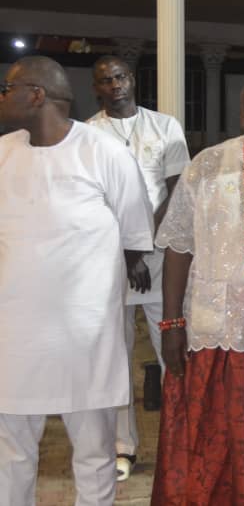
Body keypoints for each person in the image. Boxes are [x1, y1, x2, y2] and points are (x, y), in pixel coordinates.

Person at [0, 56, 153, 505]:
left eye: (8, 88)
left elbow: (134, 236)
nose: (3, 97)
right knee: (12, 456)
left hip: (85, 337)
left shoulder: (104, 152)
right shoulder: (3, 154)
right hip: (14, 337)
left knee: (94, 455)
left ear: (37, 95)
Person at [151, 79, 244, 505]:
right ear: (242, 117)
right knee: (211, 447)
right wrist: (172, 322)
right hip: (216, 331)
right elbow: (178, 247)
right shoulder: (208, 165)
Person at [87, 55, 190, 481]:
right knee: (116, 355)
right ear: (97, 88)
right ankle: (122, 446)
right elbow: (90, 200)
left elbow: (177, 189)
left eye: (121, 77)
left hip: (160, 254)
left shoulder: (165, 126)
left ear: (133, 80)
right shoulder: (88, 133)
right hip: (108, 258)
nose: (115, 85)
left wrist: (143, 246)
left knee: (172, 348)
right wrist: (127, 252)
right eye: (106, 80)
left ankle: (178, 442)